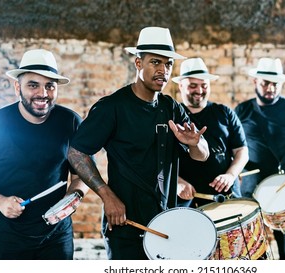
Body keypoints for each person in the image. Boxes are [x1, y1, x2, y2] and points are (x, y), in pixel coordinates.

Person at [67, 27, 209, 260]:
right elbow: (76, 153)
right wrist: (107, 196)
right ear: (138, 63)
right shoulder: (111, 107)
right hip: (125, 225)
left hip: (166, 223)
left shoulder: (171, 107)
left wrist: (194, 144)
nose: (163, 70)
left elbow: (202, 155)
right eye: (155, 62)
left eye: (168, 64)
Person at [0, 49, 89, 260]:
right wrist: (0, 201)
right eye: (33, 85)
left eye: (50, 86)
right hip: (4, 236)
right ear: (17, 87)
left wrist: (74, 197)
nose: (43, 93)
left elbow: (81, 175)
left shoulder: (70, 122)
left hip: (55, 236)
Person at [234, 57, 285, 260]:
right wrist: (233, 171)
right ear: (255, 82)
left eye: (275, 84)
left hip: (283, 181)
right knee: (251, 245)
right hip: (251, 183)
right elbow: (232, 148)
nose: (271, 88)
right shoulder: (241, 111)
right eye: (265, 83)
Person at [172, 57, 249, 207]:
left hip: (225, 195)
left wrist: (230, 175)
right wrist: (177, 182)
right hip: (187, 198)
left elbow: (242, 150)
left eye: (204, 85)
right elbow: (157, 159)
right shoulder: (172, 117)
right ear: (181, 85)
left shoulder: (225, 112)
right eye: (193, 85)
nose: (199, 91)